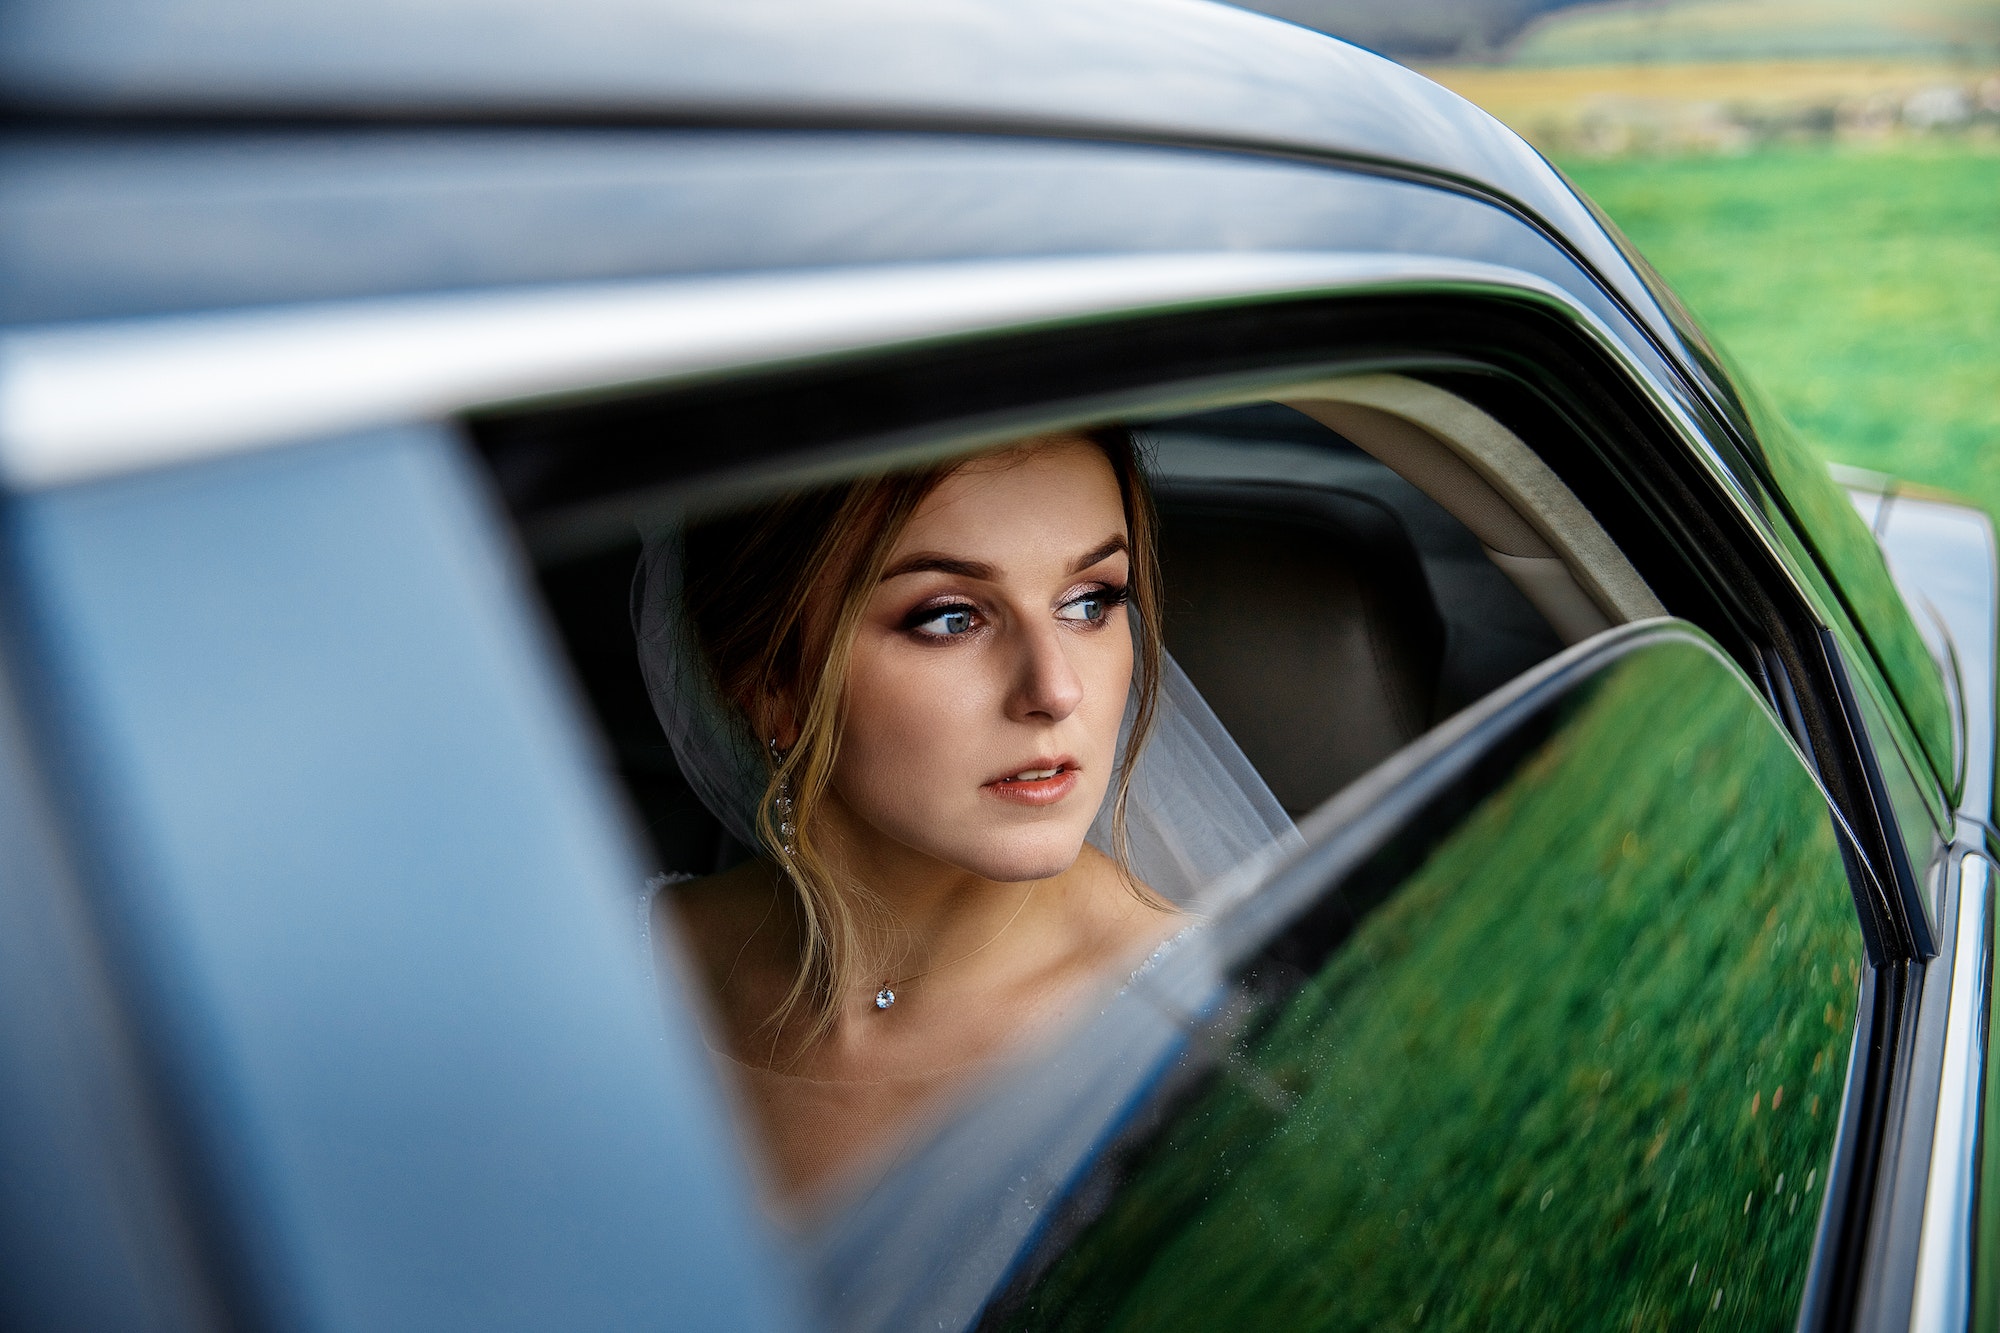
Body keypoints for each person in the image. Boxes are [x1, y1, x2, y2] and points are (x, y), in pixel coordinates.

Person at [633, 428, 1298, 1207]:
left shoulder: (1216, 1050)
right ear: (766, 683)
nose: (1055, 690)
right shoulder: (615, 968)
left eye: (1090, 602)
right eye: (951, 618)